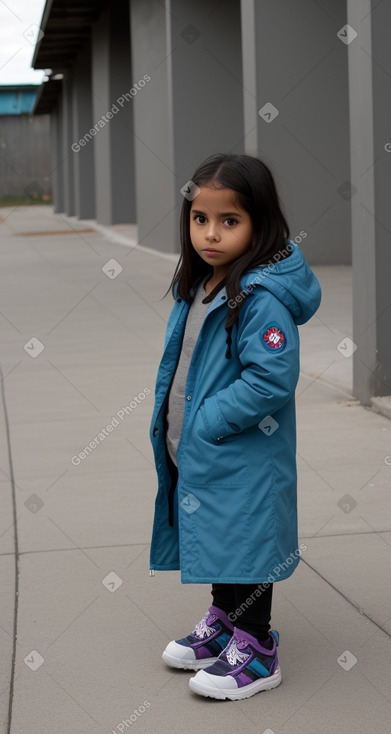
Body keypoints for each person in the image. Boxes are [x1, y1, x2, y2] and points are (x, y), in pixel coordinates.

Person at [148, 153, 321, 701]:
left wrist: (207, 422)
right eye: (201, 219)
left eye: (229, 221)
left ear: (260, 222)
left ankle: (258, 647)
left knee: (247, 542)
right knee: (223, 538)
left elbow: (271, 380)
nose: (211, 234)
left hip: (242, 454)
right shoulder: (201, 283)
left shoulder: (260, 297)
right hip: (205, 451)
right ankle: (225, 620)